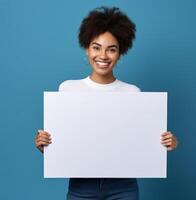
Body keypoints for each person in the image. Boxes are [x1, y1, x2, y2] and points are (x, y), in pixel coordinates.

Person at [35, 7, 178, 200]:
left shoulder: (132, 93)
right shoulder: (67, 89)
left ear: (120, 53)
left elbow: (138, 142)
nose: (103, 55)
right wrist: (45, 145)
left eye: (112, 49)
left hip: (123, 187)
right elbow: (65, 145)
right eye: (96, 47)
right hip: (81, 187)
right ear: (87, 48)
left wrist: (166, 143)